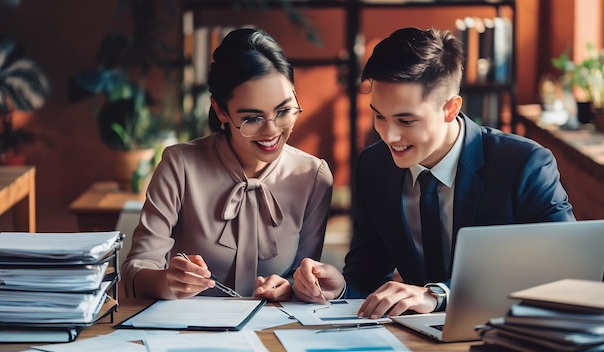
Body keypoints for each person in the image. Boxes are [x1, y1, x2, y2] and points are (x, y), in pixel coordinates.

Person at [293, 27, 575, 318]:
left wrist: (440, 294)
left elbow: (565, 268)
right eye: (379, 116)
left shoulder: (524, 164)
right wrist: (339, 287)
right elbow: (367, 275)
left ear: (450, 109)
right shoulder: (374, 167)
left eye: (406, 120)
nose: (389, 135)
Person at [122, 28, 333, 301]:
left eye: (283, 111)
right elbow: (135, 271)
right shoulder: (180, 166)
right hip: (188, 333)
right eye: (252, 118)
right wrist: (167, 281)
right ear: (221, 110)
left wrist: (291, 287)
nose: (271, 131)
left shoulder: (313, 176)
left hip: (273, 332)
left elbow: (304, 273)